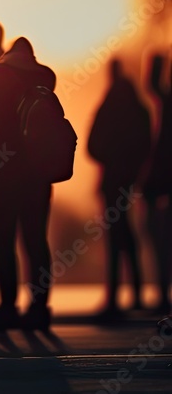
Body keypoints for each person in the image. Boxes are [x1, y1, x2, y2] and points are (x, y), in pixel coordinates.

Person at [0, 36, 57, 330]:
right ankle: (39, 307)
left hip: (4, 169)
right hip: (38, 171)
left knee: (4, 241)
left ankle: (7, 307)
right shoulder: (45, 76)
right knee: (36, 240)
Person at [87, 59, 150, 320]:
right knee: (125, 233)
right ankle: (135, 292)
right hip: (126, 180)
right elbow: (146, 144)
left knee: (117, 235)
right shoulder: (137, 107)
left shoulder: (110, 104)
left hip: (113, 180)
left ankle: (116, 295)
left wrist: (111, 160)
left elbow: (92, 144)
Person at [144, 52, 172, 315]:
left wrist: (156, 61)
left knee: (160, 237)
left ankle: (163, 293)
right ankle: (162, 292)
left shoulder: (166, 101)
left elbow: (153, 85)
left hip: (162, 179)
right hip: (160, 179)